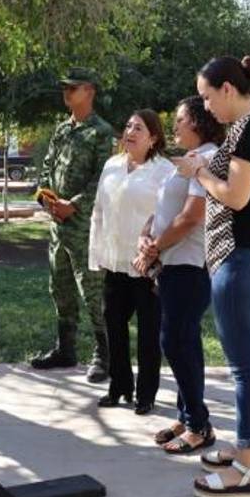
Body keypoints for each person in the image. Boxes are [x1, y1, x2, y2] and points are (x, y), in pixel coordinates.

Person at [174, 55, 250, 497]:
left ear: (226, 88)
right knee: (244, 363)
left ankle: (248, 467)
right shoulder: (249, 129)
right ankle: (243, 451)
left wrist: (197, 171)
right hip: (242, 257)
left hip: (245, 258)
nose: (206, 108)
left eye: (206, 96)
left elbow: (236, 197)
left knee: (244, 366)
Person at [136, 97, 224, 452]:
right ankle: (188, 415)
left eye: (179, 120)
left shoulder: (206, 157)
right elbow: (164, 208)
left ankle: (199, 425)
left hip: (190, 264)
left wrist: (154, 246)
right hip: (173, 262)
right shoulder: (188, 160)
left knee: (174, 340)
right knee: (186, 342)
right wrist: (147, 236)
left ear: (198, 122)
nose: (174, 126)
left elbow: (191, 217)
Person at [29, 68, 116, 383]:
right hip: (58, 223)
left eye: (73, 87)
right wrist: (45, 198)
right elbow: (48, 167)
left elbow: (102, 179)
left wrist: (73, 204)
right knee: (60, 287)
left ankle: (104, 356)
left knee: (91, 290)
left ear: (89, 91)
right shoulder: (62, 129)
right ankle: (65, 349)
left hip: (84, 225)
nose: (66, 92)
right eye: (64, 87)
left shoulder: (101, 132)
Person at [89, 110, 173, 414]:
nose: (130, 132)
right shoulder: (111, 166)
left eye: (139, 128)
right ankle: (119, 386)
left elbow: (168, 217)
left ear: (153, 138)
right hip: (116, 261)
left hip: (148, 264)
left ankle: (146, 394)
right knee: (113, 325)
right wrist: (96, 253)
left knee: (149, 332)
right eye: (127, 126)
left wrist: (154, 251)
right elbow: (99, 210)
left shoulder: (164, 171)